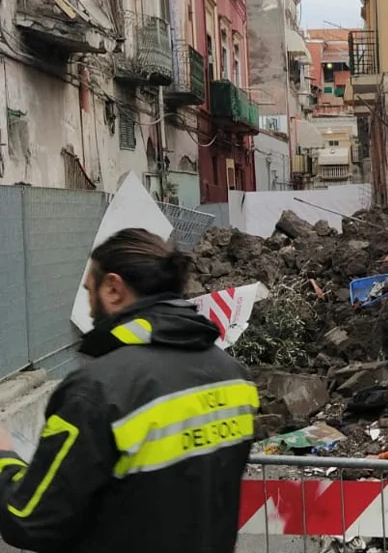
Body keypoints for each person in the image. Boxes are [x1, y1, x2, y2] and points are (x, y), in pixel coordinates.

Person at [0, 228, 259, 552]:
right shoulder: (234, 377)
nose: (90, 307)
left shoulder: (96, 392)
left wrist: (4, 456)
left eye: (89, 291)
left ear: (112, 288)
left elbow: (28, 520)